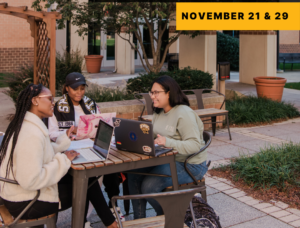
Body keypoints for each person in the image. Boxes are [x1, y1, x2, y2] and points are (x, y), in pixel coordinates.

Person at [0, 83, 117, 228]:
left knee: (87, 180)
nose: (53, 103)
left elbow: (41, 152)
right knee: (85, 183)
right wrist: (63, 160)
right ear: (35, 101)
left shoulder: (26, 124)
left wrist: (64, 140)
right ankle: (110, 224)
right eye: (49, 99)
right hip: (28, 201)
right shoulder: (31, 134)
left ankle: (109, 223)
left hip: (17, 194)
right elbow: (31, 180)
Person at [127, 76, 208, 219]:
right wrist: (134, 137)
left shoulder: (184, 113)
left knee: (149, 187)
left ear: (169, 93)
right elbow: (153, 137)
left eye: (156, 92)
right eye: (151, 92)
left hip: (190, 164)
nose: (152, 96)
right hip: (168, 159)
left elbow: (195, 145)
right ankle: (139, 221)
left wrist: (167, 142)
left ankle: (169, 217)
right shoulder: (159, 111)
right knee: (133, 173)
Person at [46, 72, 123, 219]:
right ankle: (85, 216)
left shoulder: (91, 104)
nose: (79, 92)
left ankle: (109, 208)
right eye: (75, 89)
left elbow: (101, 123)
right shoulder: (57, 108)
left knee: (110, 170)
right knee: (91, 177)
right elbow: (52, 133)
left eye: (82, 88)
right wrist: (67, 133)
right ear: (67, 88)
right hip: (70, 148)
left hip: (91, 145)